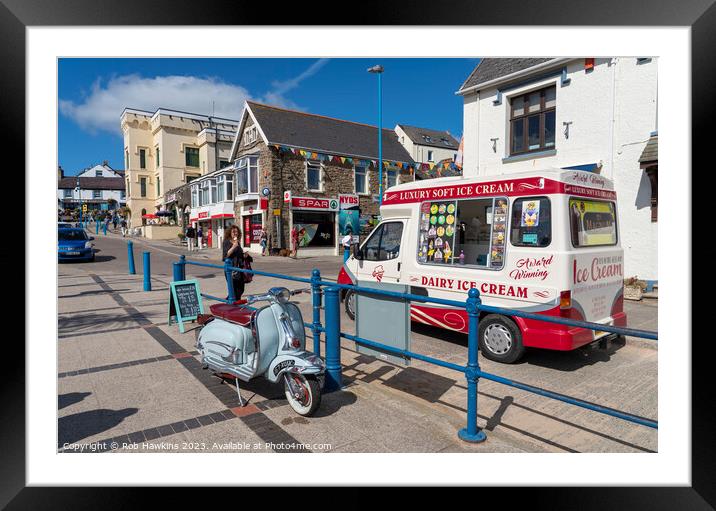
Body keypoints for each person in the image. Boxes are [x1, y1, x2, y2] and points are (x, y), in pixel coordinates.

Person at [222, 225, 253, 302]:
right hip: (231, 270)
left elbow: (239, 255)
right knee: (234, 290)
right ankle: (231, 305)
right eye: (233, 232)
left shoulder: (237, 242)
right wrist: (233, 246)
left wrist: (245, 255)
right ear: (230, 233)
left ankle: (231, 304)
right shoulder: (226, 242)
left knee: (240, 289)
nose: (235, 233)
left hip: (240, 269)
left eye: (237, 232)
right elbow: (225, 255)